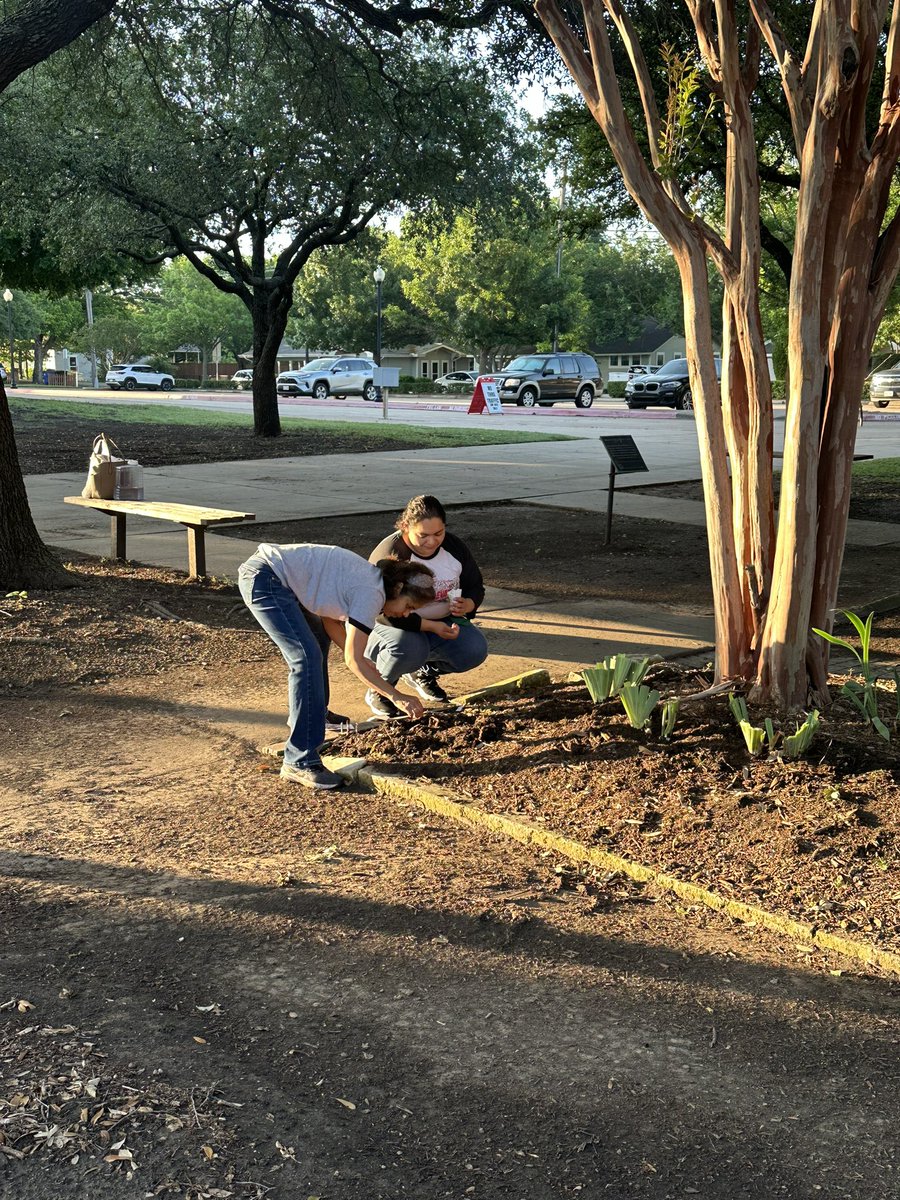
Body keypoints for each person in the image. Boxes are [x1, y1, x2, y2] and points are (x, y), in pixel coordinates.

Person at [238, 543, 435, 789]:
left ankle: (315, 714)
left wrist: (364, 661)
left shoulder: (369, 580)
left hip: (275, 577)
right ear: (397, 588)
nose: (406, 614)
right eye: (409, 607)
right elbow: (352, 660)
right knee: (305, 658)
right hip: (267, 579)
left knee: (316, 643)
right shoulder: (372, 593)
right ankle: (300, 761)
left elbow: (331, 624)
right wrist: (395, 696)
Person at [364, 495, 488, 717]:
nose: (431, 542)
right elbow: (384, 611)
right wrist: (430, 626)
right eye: (423, 535)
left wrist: (469, 604)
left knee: (474, 649)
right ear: (405, 527)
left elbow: (475, 585)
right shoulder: (391, 554)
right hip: (394, 625)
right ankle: (380, 688)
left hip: (442, 620)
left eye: (438, 534)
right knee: (410, 647)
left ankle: (424, 672)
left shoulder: (454, 546)